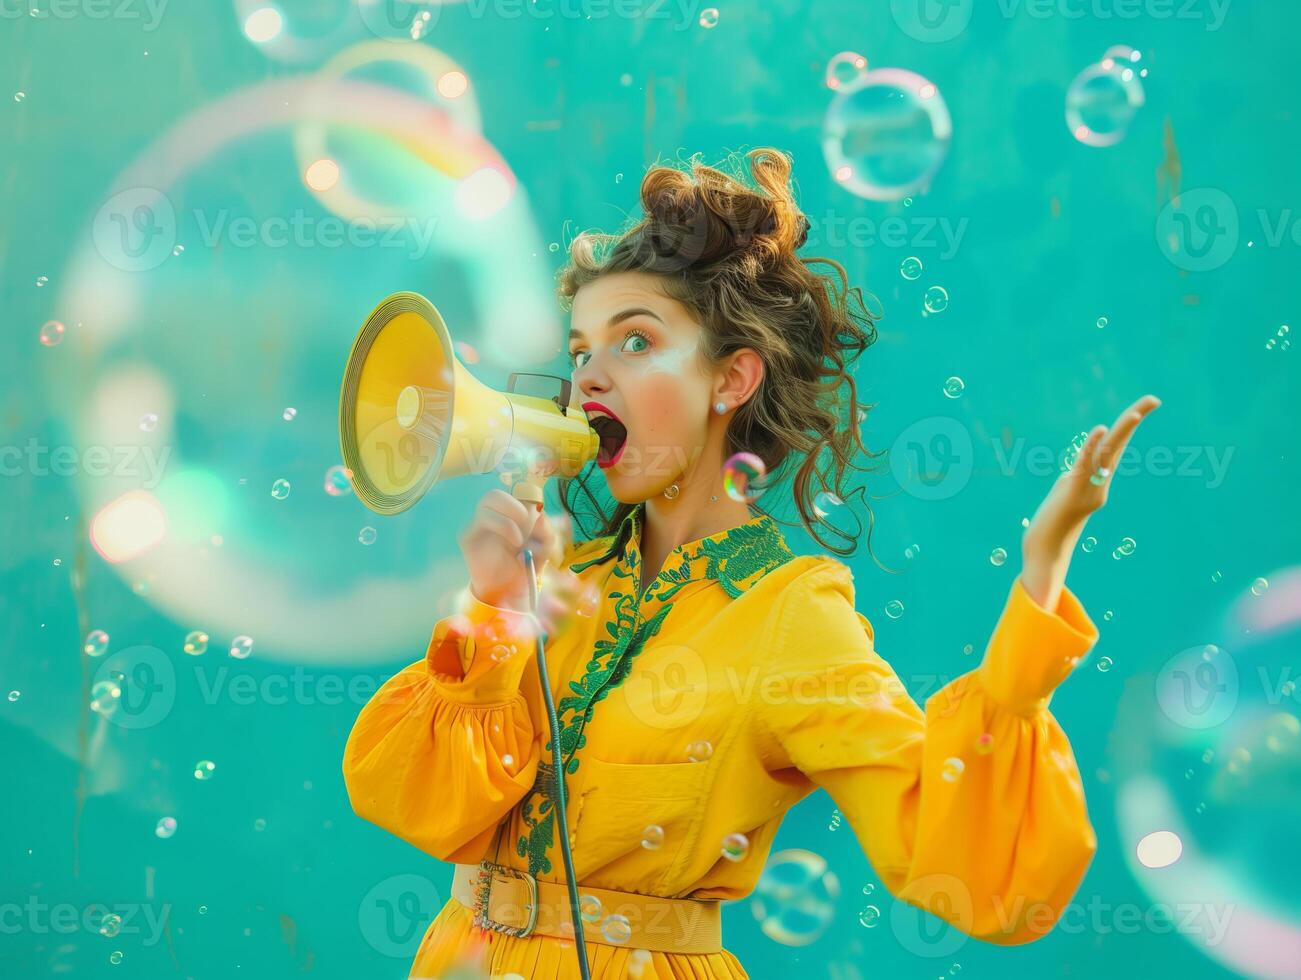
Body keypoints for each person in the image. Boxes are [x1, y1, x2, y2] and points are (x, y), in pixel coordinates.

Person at [342, 147, 1162, 979]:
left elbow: (965, 860)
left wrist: (1042, 569)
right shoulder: (558, 580)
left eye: (634, 341)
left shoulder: (788, 615)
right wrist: (489, 608)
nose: (588, 376)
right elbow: (421, 807)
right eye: (583, 347)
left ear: (731, 378)